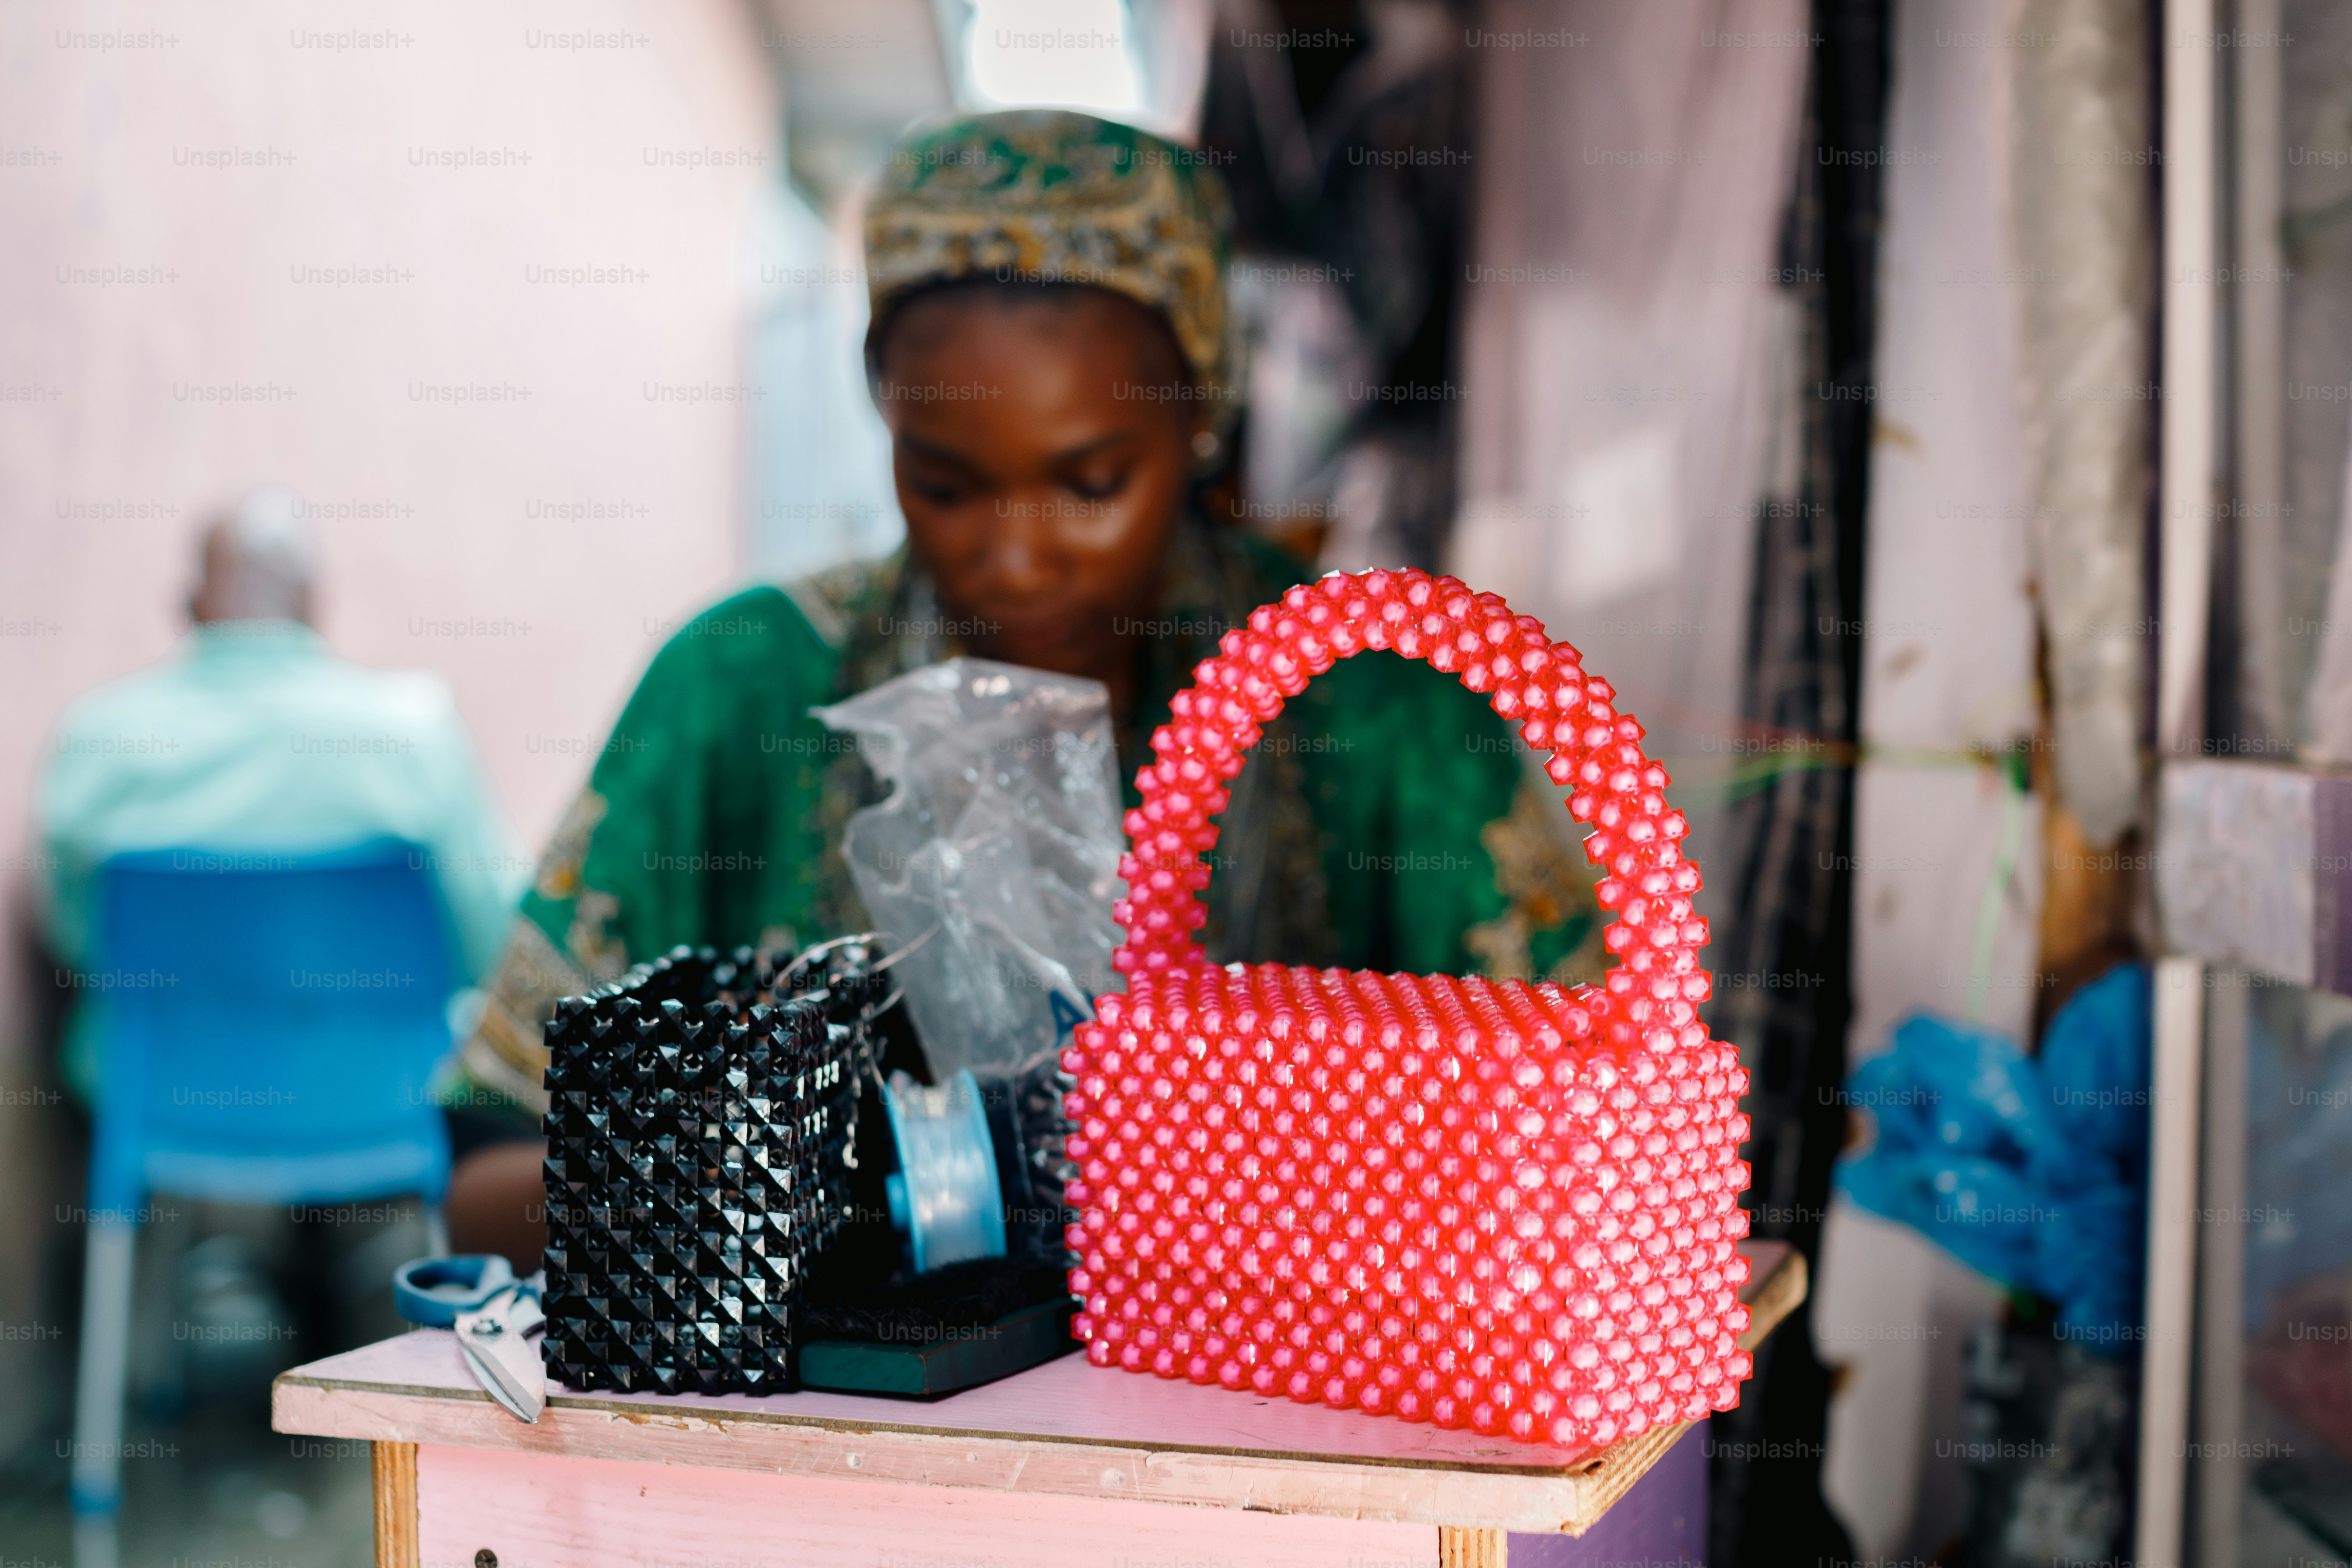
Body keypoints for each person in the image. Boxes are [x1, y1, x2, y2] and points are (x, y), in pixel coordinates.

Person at [445, 110, 1601, 1260]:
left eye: (1093, 481)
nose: (1015, 557)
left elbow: (1578, 1146)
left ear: (1201, 417)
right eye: (945, 484)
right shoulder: (743, 689)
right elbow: (491, 1177)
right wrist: (786, 1185)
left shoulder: (1374, 705)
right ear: (882, 414)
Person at [36, 488, 523, 1104]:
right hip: (383, 1093)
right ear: (314, 603)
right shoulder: (416, 735)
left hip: (163, 1095)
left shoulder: (98, 739)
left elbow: (77, 939)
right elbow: (495, 943)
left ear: (189, 604)